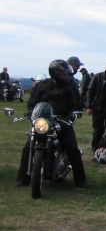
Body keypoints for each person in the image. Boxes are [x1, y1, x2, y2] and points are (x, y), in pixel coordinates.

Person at [16, 60, 87, 189]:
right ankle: (23, 178)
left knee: (72, 148)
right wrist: (30, 113)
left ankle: (80, 181)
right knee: (28, 147)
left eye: (67, 74)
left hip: (62, 122)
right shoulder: (41, 86)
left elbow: (77, 105)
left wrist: (71, 116)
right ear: (56, 73)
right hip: (43, 121)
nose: (66, 76)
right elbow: (32, 102)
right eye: (64, 73)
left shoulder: (70, 87)